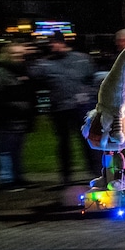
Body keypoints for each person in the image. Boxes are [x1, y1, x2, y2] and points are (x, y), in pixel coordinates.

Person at [31, 32, 101, 184]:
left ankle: (95, 172)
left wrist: (90, 97)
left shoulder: (81, 59)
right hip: (60, 109)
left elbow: (93, 79)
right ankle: (66, 176)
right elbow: (33, 76)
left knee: (87, 141)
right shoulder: (45, 63)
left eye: (55, 42)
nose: (53, 46)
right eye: (51, 43)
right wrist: (35, 56)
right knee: (63, 143)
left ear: (63, 43)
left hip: (81, 107)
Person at [0, 41, 37, 190]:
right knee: (6, 149)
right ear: (7, 55)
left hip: (20, 118)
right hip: (7, 118)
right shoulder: (0, 72)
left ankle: (17, 176)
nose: (19, 57)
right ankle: (7, 180)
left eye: (21, 54)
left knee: (16, 149)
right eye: (15, 54)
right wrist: (15, 105)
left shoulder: (21, 70)